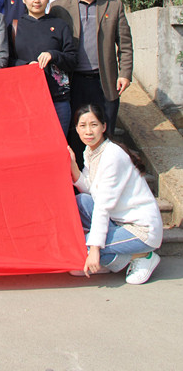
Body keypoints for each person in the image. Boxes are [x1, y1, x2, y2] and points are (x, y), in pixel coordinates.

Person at [69, 103, 162, 284]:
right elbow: (91, 190)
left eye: (94, 125)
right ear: (77, 129)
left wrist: (94, 249)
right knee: (81, 201)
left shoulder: (112, 156)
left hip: (141, 229)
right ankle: (110, 259)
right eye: (83, 126)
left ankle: (142, 255)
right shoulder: (91, 151)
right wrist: (73, 165)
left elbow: (102, 206)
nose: (88, 131)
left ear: (104, 127)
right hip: (118, 221)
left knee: (82, 250)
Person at [51, 0, 133, 157]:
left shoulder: (114, 6)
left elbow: (124, 44)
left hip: (104, 81)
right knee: (74, 132)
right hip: (72, 81)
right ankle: (78, 173)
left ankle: (104, 172)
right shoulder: (59, 8)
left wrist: (125, 74)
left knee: (105, 131)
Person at [10, 0, 77, 135]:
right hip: (24, 99)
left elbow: (72, 59)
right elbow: (7, 61)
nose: (37, 0)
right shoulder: (14, 27)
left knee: (58, 142)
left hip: (57, 98)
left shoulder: (60, 25)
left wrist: (53, 55)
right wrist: (26, 66)